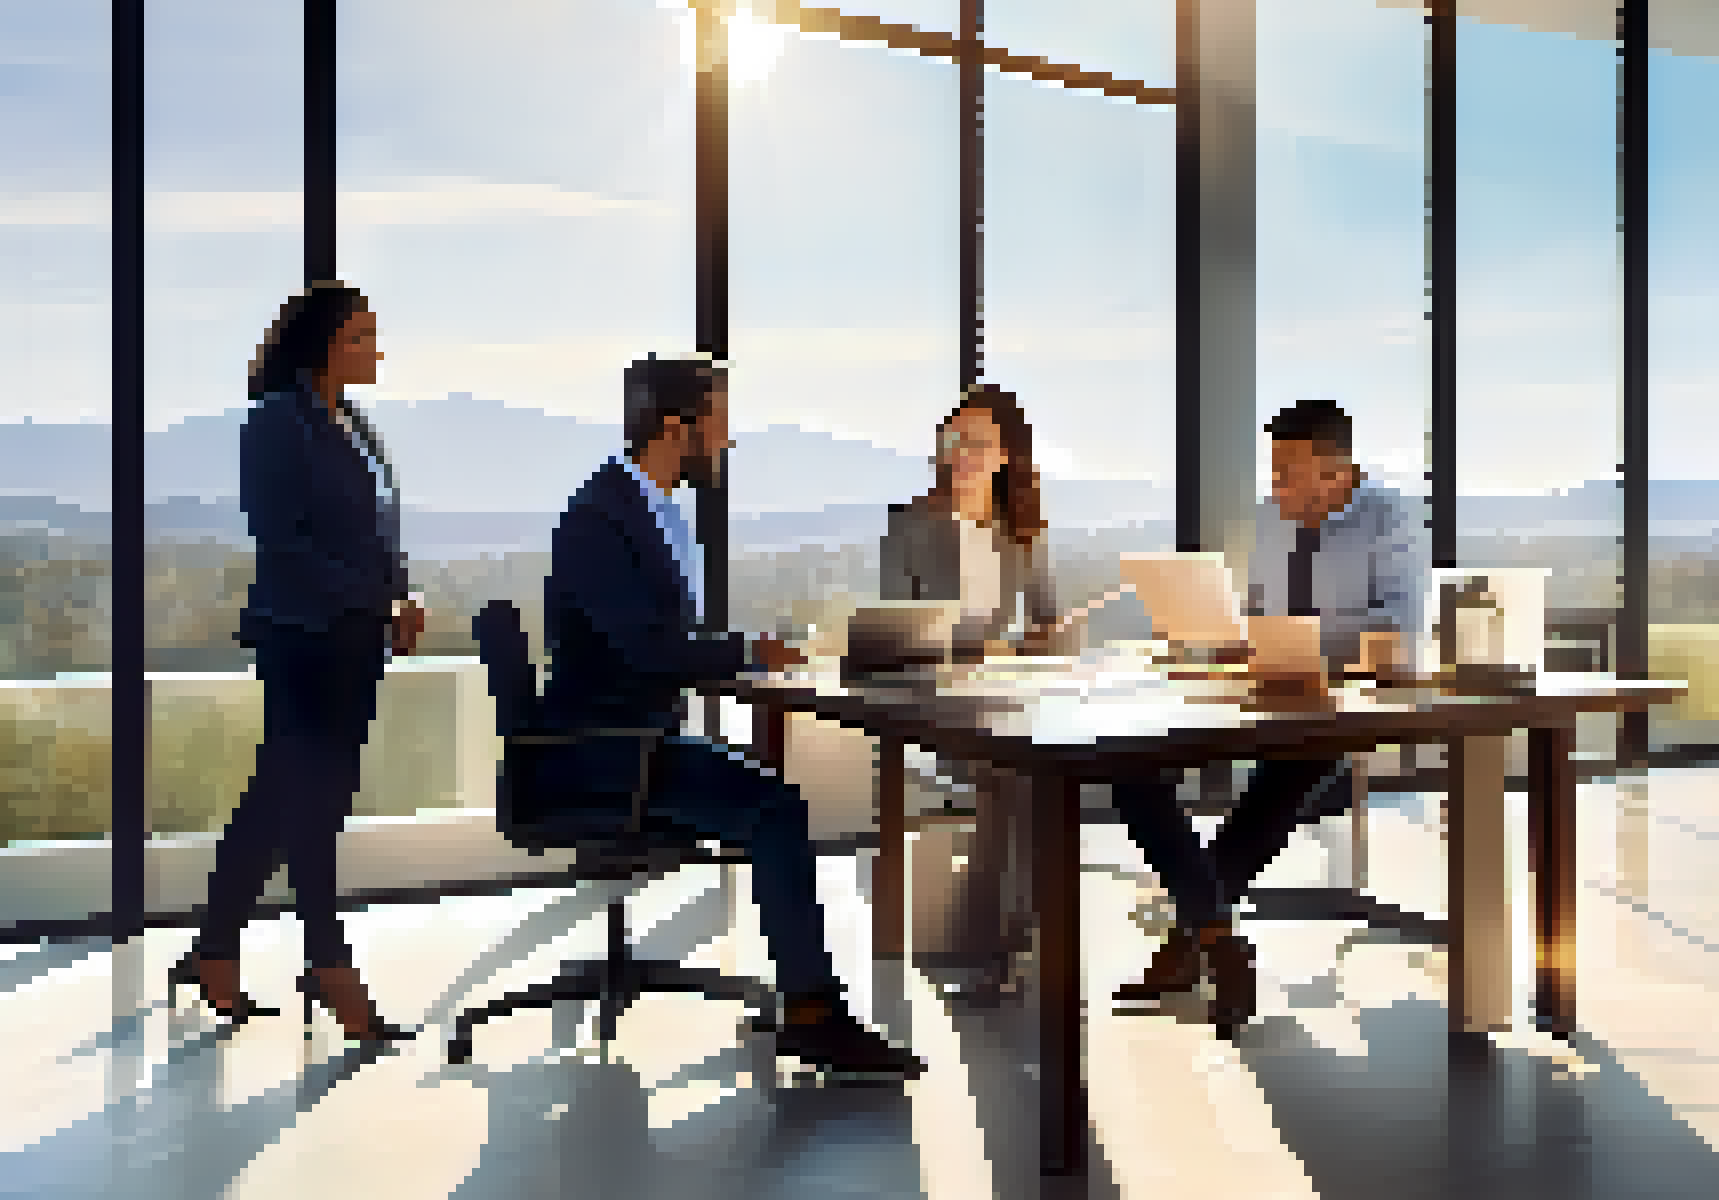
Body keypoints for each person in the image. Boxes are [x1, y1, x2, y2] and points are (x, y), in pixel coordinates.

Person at [524, 353, 920, 1078]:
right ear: (678, 427)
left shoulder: (648, 507)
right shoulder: (599, 518)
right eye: (720, 423)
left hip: (639, 737)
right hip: (605, 749)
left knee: (769, 799)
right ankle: (810, 1012)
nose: (727, 440)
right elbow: (644, 649)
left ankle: (807, 1002)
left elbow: (658, 641)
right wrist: (740, 651)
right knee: (773, 807)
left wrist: (742, 650)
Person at [1110, 399, 1430, 1037]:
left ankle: (1197, 942)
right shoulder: (1271, 520)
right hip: (1262, 687)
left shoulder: (1393, 519)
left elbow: (1399, 630)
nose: (1276, 488)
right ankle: (1214, 936)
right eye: (1274, 472)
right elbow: (1256, 610)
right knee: (1131, 766)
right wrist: (1226, 640)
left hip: (1344, 699)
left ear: (1337, 474)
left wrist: (1303, 644)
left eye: (1288, 474)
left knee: (1281, 784)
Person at [177, 282, 428, 1041]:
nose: (373, 350)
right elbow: (283, 543)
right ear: (320, 342)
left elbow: (377, 530)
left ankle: (214, 952)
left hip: (355, 640)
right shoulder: (275, 424)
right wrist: (376, 601)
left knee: (282, 798)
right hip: (302, 638)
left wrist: (401, 597)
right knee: (312, 803)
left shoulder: (357, 426)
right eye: (358, 336)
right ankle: (329, 966)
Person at [880, 384, 1064, 965]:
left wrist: (1033, 646)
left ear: (1006, 455)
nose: (960, 453)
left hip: (1007, 707)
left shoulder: (1020, 534)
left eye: (976, 444)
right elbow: (895, 638)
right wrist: (968, 654)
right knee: (1013, 773)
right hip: (933, 711)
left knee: (1037, 768)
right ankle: (989, 947)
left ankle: (1018, 940)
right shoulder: (911, 526)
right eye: (951, 441)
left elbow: (1048, 630)